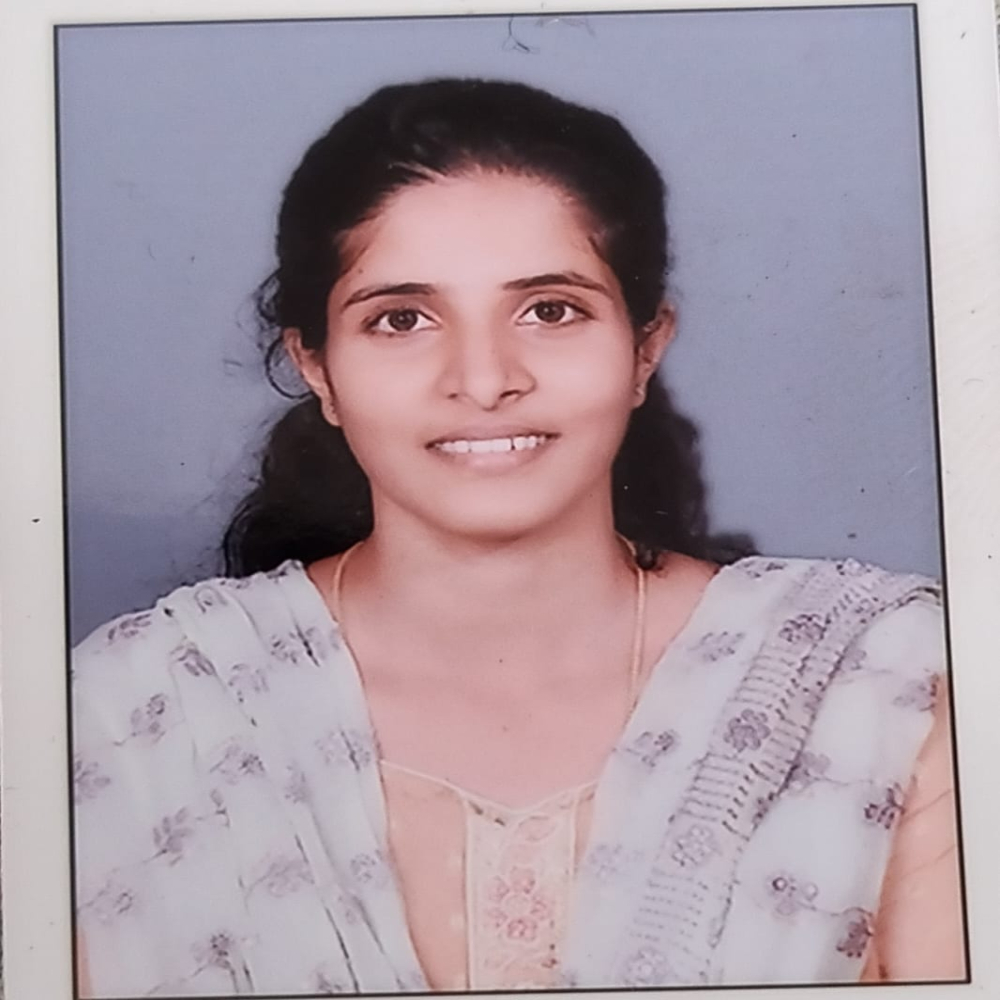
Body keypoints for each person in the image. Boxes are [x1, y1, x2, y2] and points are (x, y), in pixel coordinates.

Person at [71, 78, 963, 997]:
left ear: (645, 348)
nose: (485, 378)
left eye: (549, 310)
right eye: (401, 319)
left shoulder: (880, 681)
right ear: (317, 369)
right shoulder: (137, 712)